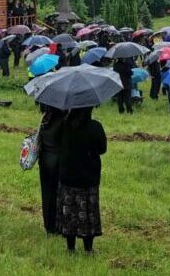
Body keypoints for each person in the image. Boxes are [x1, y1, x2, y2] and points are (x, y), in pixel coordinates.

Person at [56, 107, 106, 254]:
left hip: (67, 176)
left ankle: (70, 248)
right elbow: (102, 149)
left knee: (69, 211)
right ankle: (88, 249)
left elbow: (59, 144)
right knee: (88, 211)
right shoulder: (95, 127)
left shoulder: (65, 125)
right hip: (88, 177)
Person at [37, 105, 64, 236]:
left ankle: (49, 226)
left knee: (47, 193)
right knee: (59, 194)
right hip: (59, 160)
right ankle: (58, 226)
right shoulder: (64, 120)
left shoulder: (45, 118)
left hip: (44, 159)